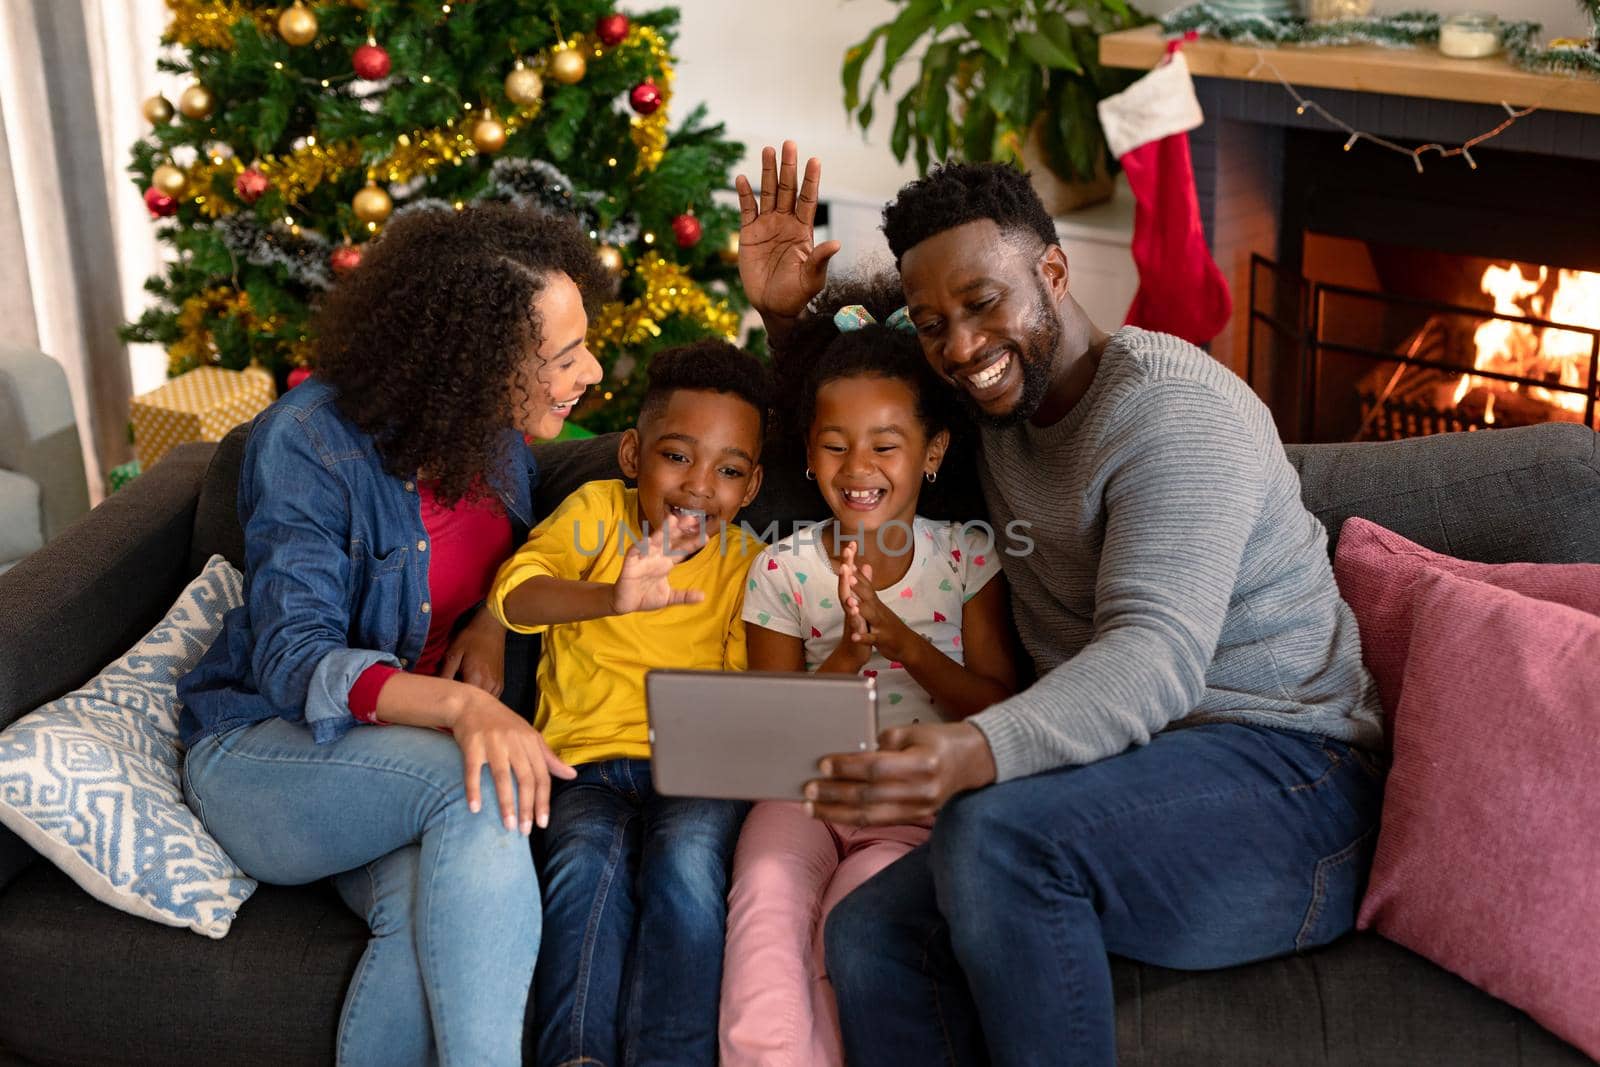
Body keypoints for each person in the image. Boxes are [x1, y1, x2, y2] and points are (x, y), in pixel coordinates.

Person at [735, 142, 1387, 1065]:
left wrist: (975, 747)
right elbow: (857, 450)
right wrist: (784, 316)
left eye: (983, 302)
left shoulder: (1173, 415)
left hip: (1290, 779)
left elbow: (1153, 658)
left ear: (1053, 270)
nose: (960, 346)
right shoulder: (991, 408)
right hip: (1119, 774)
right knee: (871, 933)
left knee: (993, 834)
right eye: (932, 323)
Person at [176, 202, 611, 1066]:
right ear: (478, 360)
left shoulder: (494, 440)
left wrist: (491, 620)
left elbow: (503, 567)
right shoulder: (308, 443)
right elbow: (293, 659)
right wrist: (460, 708)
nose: (591, 370)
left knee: (427, 929)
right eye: (564, 356)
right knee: (480, 780)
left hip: (386, 769)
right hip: (266, 750)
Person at [718, 275, 1017, 1067]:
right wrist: (851, 653)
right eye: (835, 443)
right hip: (805, 792)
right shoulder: (780, 568)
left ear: (933, 453)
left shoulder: (968, 558)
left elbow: (1003, 706)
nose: (859, 466)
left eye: (886, 445)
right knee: (765, 904)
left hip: (913, 806)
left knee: (851, 928)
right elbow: (768, 740)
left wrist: (906, 643)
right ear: (809, 454)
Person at [488, 340, 768, 1067]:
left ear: (753, 485)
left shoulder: (747, 564)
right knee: (582, 870)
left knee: (686, 864)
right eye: (678, 456)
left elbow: (750, 693)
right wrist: (609, 597)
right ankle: (576, 1056)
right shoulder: (594, 513)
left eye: (729, 470)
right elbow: (517, 595)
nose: (699, 485)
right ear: (632, 454)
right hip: (585, 761)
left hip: (694, 768)